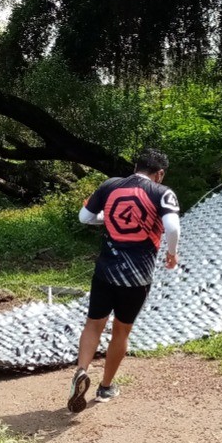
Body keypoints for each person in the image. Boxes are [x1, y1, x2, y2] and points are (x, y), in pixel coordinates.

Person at [68, 148, 181, 413]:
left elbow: (84, 217)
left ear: (135, 167)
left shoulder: (110, 185)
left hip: (105, 271)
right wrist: (172, 253)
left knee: (93, 324)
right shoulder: (162, 192)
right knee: (121, 330)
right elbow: (172, 227)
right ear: (160, 173)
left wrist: (108, 218)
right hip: (137, 278)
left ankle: (82, 370)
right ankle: (105, 387)